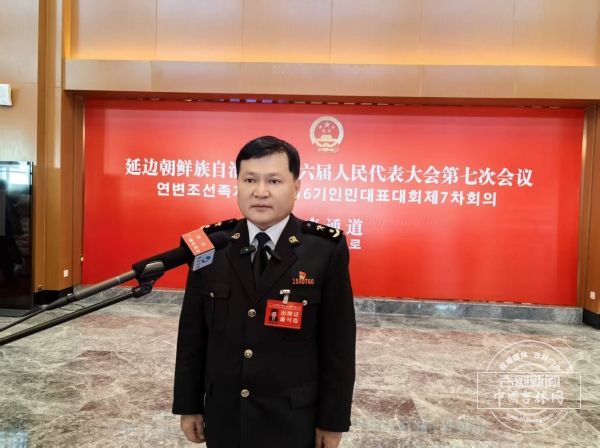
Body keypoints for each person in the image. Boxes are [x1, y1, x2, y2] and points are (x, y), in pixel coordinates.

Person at [172, 136, 356, 448]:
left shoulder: (324, 250)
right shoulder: (210, 245)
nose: (260, 191)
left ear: (296, 187)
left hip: (292, 419)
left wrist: (332, 420)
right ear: (237, 184)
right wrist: (189, 405)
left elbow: (338, 346)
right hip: (225, 414)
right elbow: (192, 335)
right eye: (249, 180)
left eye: (274, 180)